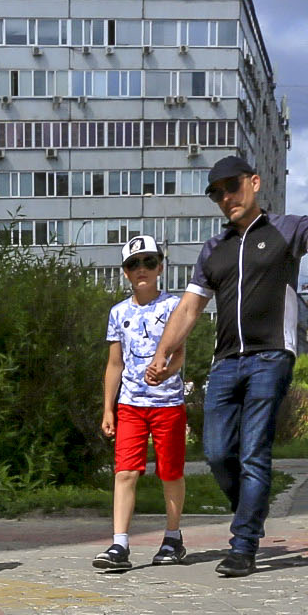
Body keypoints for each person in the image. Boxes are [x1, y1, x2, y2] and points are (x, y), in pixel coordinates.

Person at [144, 157, 308, 577]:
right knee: (219, 453)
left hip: (271, 356)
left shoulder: (286, 229)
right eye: (217, 192)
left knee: (254, 451)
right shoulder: (214, 249)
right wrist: (162, 352)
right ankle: (252, 510)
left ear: (254, 183)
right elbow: (188, 308)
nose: (226, 197)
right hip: (225, 362)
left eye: (232, 187)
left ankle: (243, 545)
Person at [96, 234, 188, 573]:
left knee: (170, 471)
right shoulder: (118, 312)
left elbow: (179, 356)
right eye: (134, 264)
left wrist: (166, 373)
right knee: (125, 472)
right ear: (125, 272)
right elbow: (114, 364)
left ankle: (173, 537)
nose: (142, 270)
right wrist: (108, 407)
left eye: (149, 262)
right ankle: (119, 543)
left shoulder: (173, 306)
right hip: (131, 405)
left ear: (160, 267)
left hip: (167, 403)